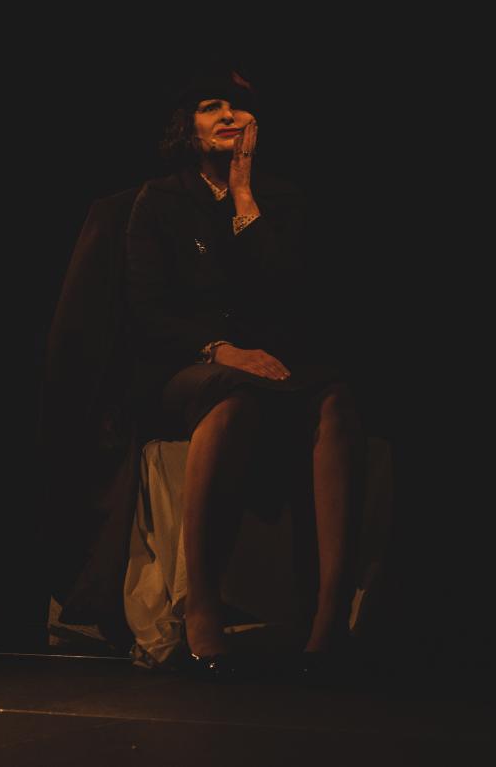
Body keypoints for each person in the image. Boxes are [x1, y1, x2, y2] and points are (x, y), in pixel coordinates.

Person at [124, 69, 366, 677]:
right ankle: (202, 605)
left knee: (336, 400)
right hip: (191, 364)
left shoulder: (281, 198)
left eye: (239, 107)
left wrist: (243, 193)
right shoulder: (161, 199)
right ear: (189, 126)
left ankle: (328, 618)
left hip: (272, 358)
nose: (230, 116)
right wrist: (219, 349)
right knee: (233, 400)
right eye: (214, 107)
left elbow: (285, 291)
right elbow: (146, 311)